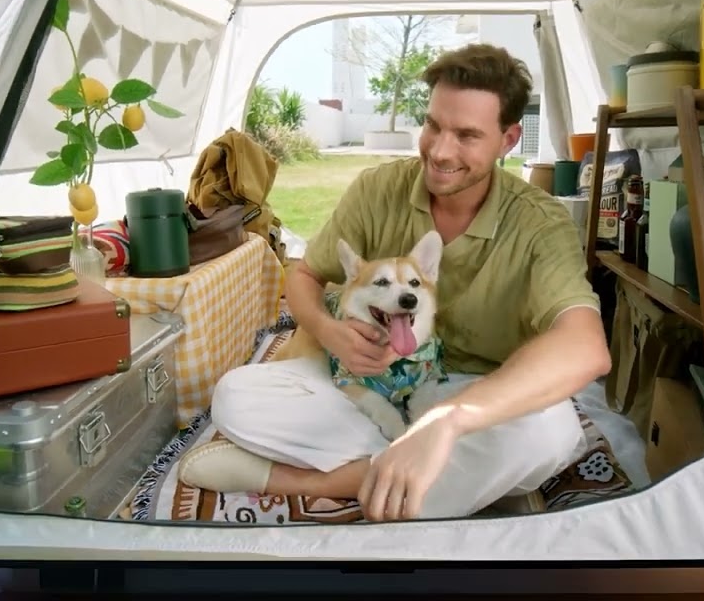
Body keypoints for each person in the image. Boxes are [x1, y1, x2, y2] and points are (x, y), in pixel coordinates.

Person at [178, 43, 612, 521]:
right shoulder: (378, 189)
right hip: (364, 383)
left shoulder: (539, 223)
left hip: (474, 390)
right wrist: (330, 332)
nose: (440, 151)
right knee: (235, 396)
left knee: (553, 431)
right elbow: (305, 275)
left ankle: (319, 480)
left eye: (467, 135)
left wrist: (451, 420)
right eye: (433, 125)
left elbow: (585, 347)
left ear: (508, 139)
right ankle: (455, 478)